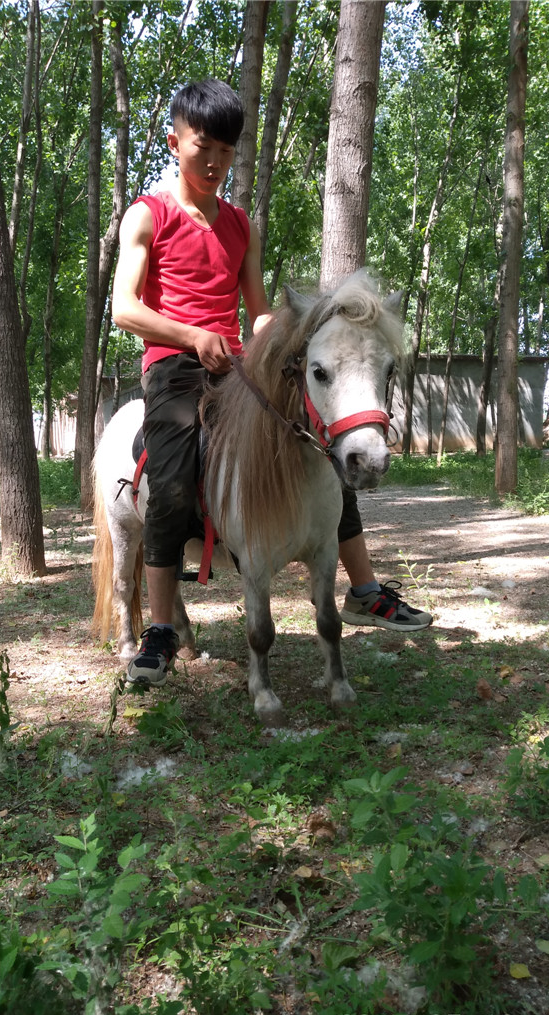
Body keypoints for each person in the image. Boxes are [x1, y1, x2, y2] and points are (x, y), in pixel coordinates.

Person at [111, 79, 432, 687]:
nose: (214, 162)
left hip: (237, 363)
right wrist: (190, 335)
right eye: (203, 146)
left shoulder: (239, 225)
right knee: (173, 476)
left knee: (322, 444)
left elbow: (256, 310)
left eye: (226, 152)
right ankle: (159, 628)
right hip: (176, 367)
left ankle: (362, 588)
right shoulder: (146, 215)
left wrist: (283, 336)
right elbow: (123, 309)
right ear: (175, 139)